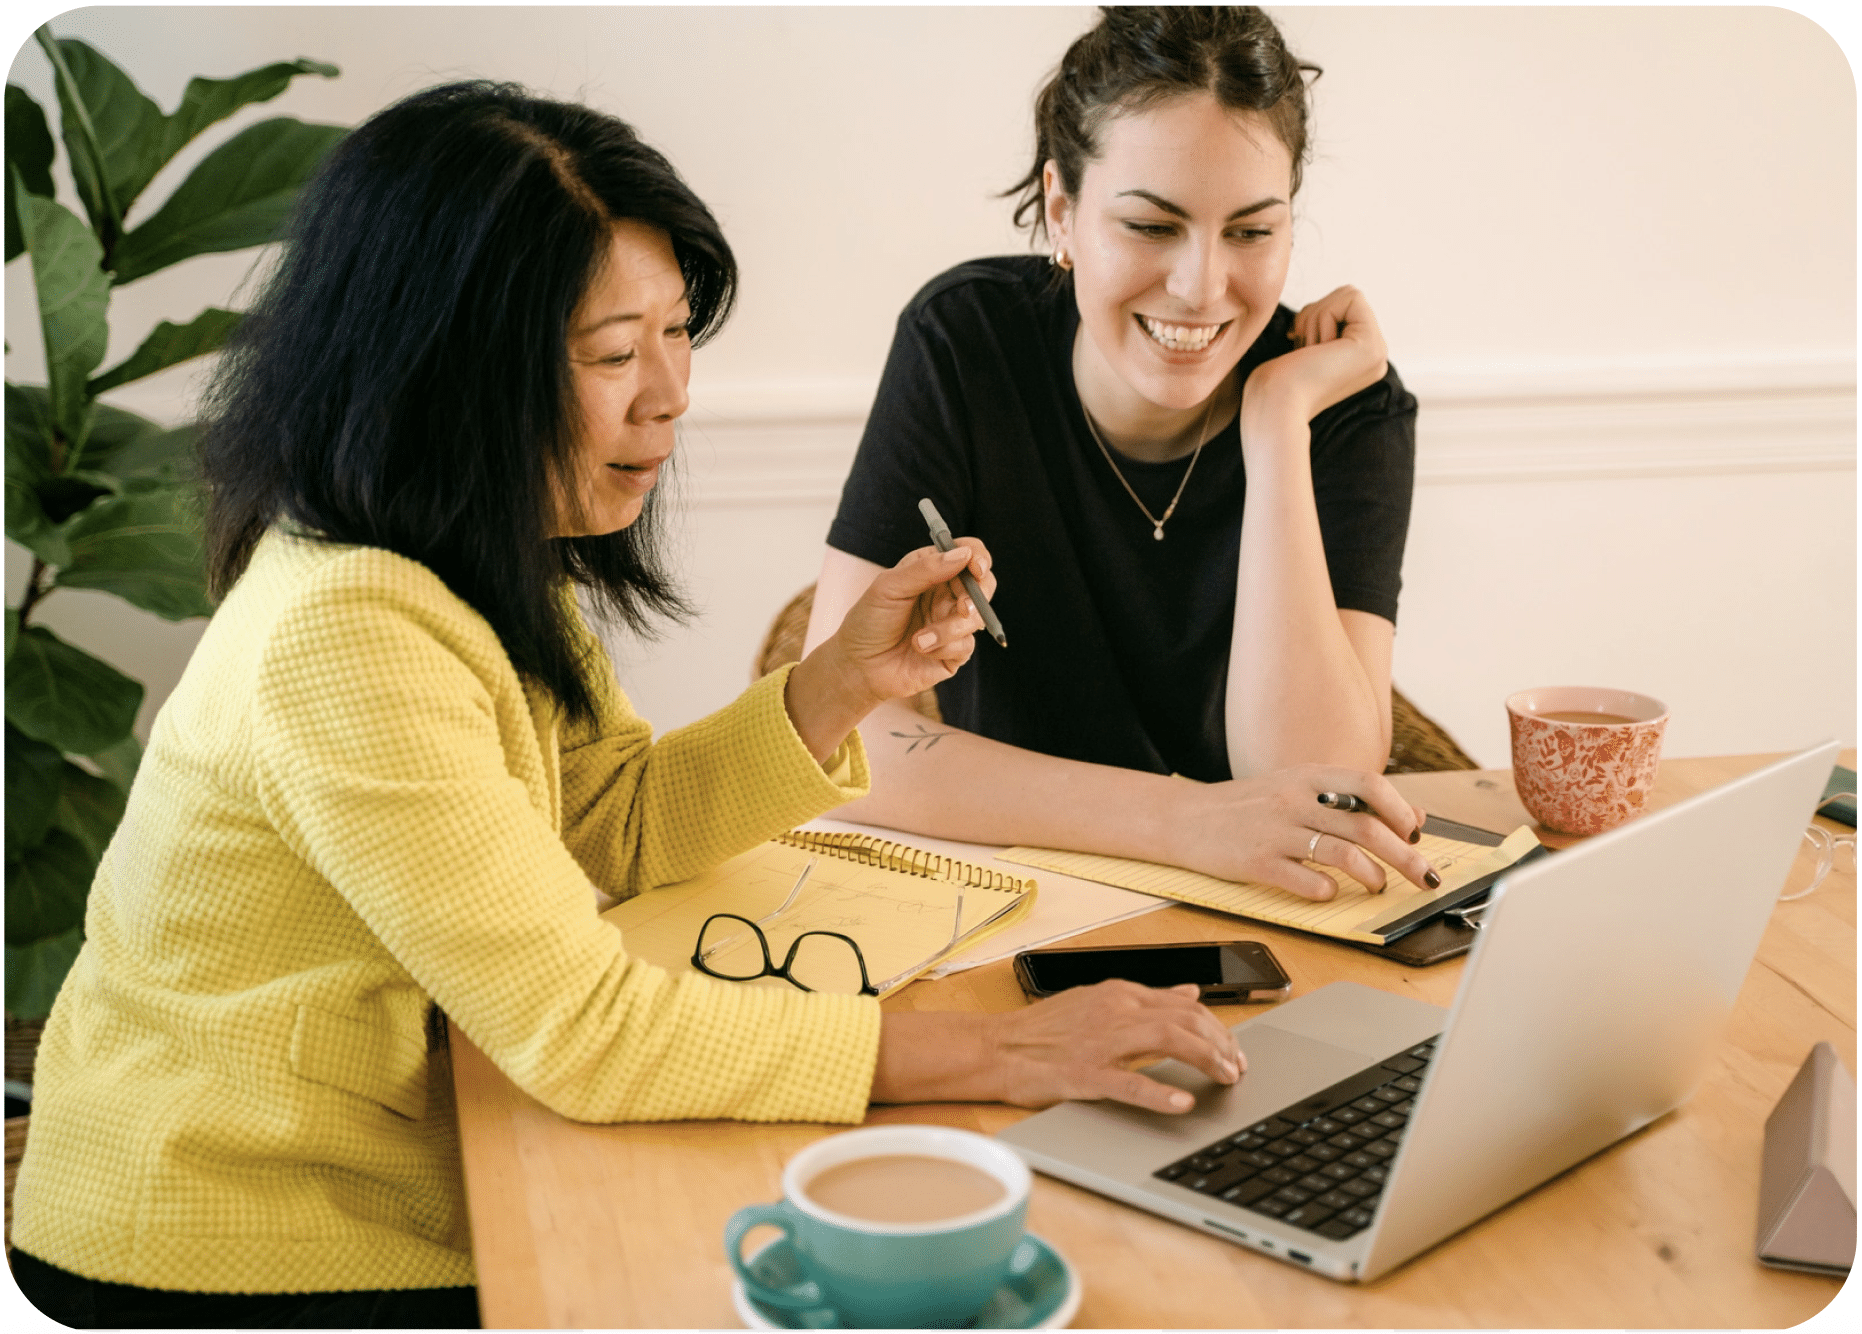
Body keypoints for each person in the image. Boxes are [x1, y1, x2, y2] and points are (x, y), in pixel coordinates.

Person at [8, 82, 1243, 1329]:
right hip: (226, 1243)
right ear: (447, 372)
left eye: (674, 333)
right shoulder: (348, 632)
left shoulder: (471, 564)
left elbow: (613, 812)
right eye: (611, 353)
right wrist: (1002, 1053)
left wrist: (832, 688)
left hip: (395, 1164)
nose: (669, 394)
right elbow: (583, 1029)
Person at [807, 6, 1438, 902]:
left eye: (1253, 232)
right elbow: (834, 738)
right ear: (1062, 211)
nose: (1201, 287)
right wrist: (1186, 822)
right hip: (1026, 900)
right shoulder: (966, 342)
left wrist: (1274, 420)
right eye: (1151, 225)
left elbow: (1321, 784)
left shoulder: (1336, 402)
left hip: (1277, 912)